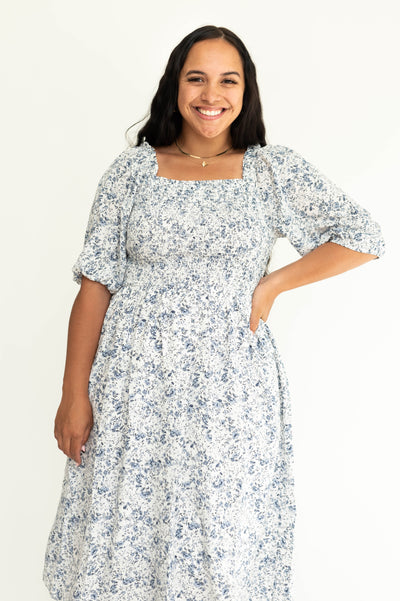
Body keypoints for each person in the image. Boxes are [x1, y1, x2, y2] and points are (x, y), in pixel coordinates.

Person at [42, 24, 385, 601]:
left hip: (231, 394)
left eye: (229, 80)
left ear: (246, 90)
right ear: (174, 86)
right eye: (195, 77)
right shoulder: (130, 174)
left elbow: (364, 235)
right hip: (134, 387)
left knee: (223, 540)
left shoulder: (272, 171)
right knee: (126, 530)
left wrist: (273, 284)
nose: (211, 94)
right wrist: (74, 392)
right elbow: (95, 286)